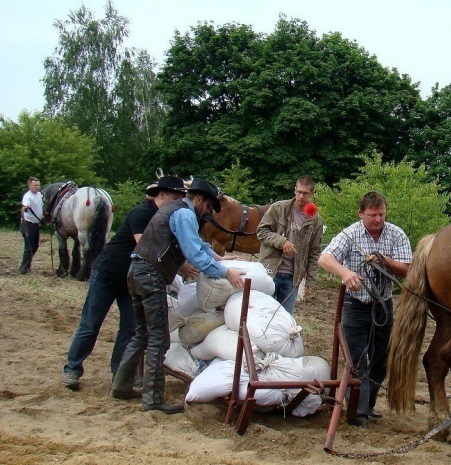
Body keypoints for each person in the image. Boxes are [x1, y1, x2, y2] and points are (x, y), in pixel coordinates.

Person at [111, 178, 246, 414]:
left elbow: (199, 246)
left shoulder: (176, 210)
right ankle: (152, 399)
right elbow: (194, 253)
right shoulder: (184, 215)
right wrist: (226, 272)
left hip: (136, 272)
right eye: (207, 207)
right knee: (158, 338)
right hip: (151, 275)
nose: (207, 213)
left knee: (141, 333)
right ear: (200, 200)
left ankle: (121, 386)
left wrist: (220, 258)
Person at [61, 176, 189, 390]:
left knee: (129, 328)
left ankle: (118, 374)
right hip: (108, 273)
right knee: (91, 324)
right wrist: (182, 265)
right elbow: (147, 245)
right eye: (174, 197)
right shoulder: (141, 214)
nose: (177, 203)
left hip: (132, 279)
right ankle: (72, 368)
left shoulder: (167, 217)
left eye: (180, 199)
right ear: (161, 194)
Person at [318, 191, 412, 428]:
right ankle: (357, 414)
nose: (377, 219)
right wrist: (345, 273)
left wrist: (384, 260)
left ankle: (367, 406)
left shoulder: (396, 234)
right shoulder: (349, 234)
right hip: (355, 305)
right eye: (372, 215)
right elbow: (324, 258)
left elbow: (407, 269)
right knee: (358, 361)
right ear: (361, 214)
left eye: (381, 214)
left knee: (382, 359)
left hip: (384, 306)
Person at [256, 176, 323, 314]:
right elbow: (261, 231)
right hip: (270, 270)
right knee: (262, 313)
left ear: (312, 194)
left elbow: (315, 252)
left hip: (293, 277)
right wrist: (282, 242)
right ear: (294, 190)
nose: (301, 196)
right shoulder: (279, 208)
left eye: (305, 193)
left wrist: (310, 280)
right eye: (298, 192)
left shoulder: (316, 220)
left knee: (285, 319)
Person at [19, 176, 43, 274]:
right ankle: (23, 268)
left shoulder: (39, 194)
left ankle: (27, 265)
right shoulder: (27, 196)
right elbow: (25, 206)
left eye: (38, 185)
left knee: (35, 246)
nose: (37, 187)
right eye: (35, 185)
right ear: (29, 186)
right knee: (29, 247)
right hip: (28, 225)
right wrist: (26, 208)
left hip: (36, 225)